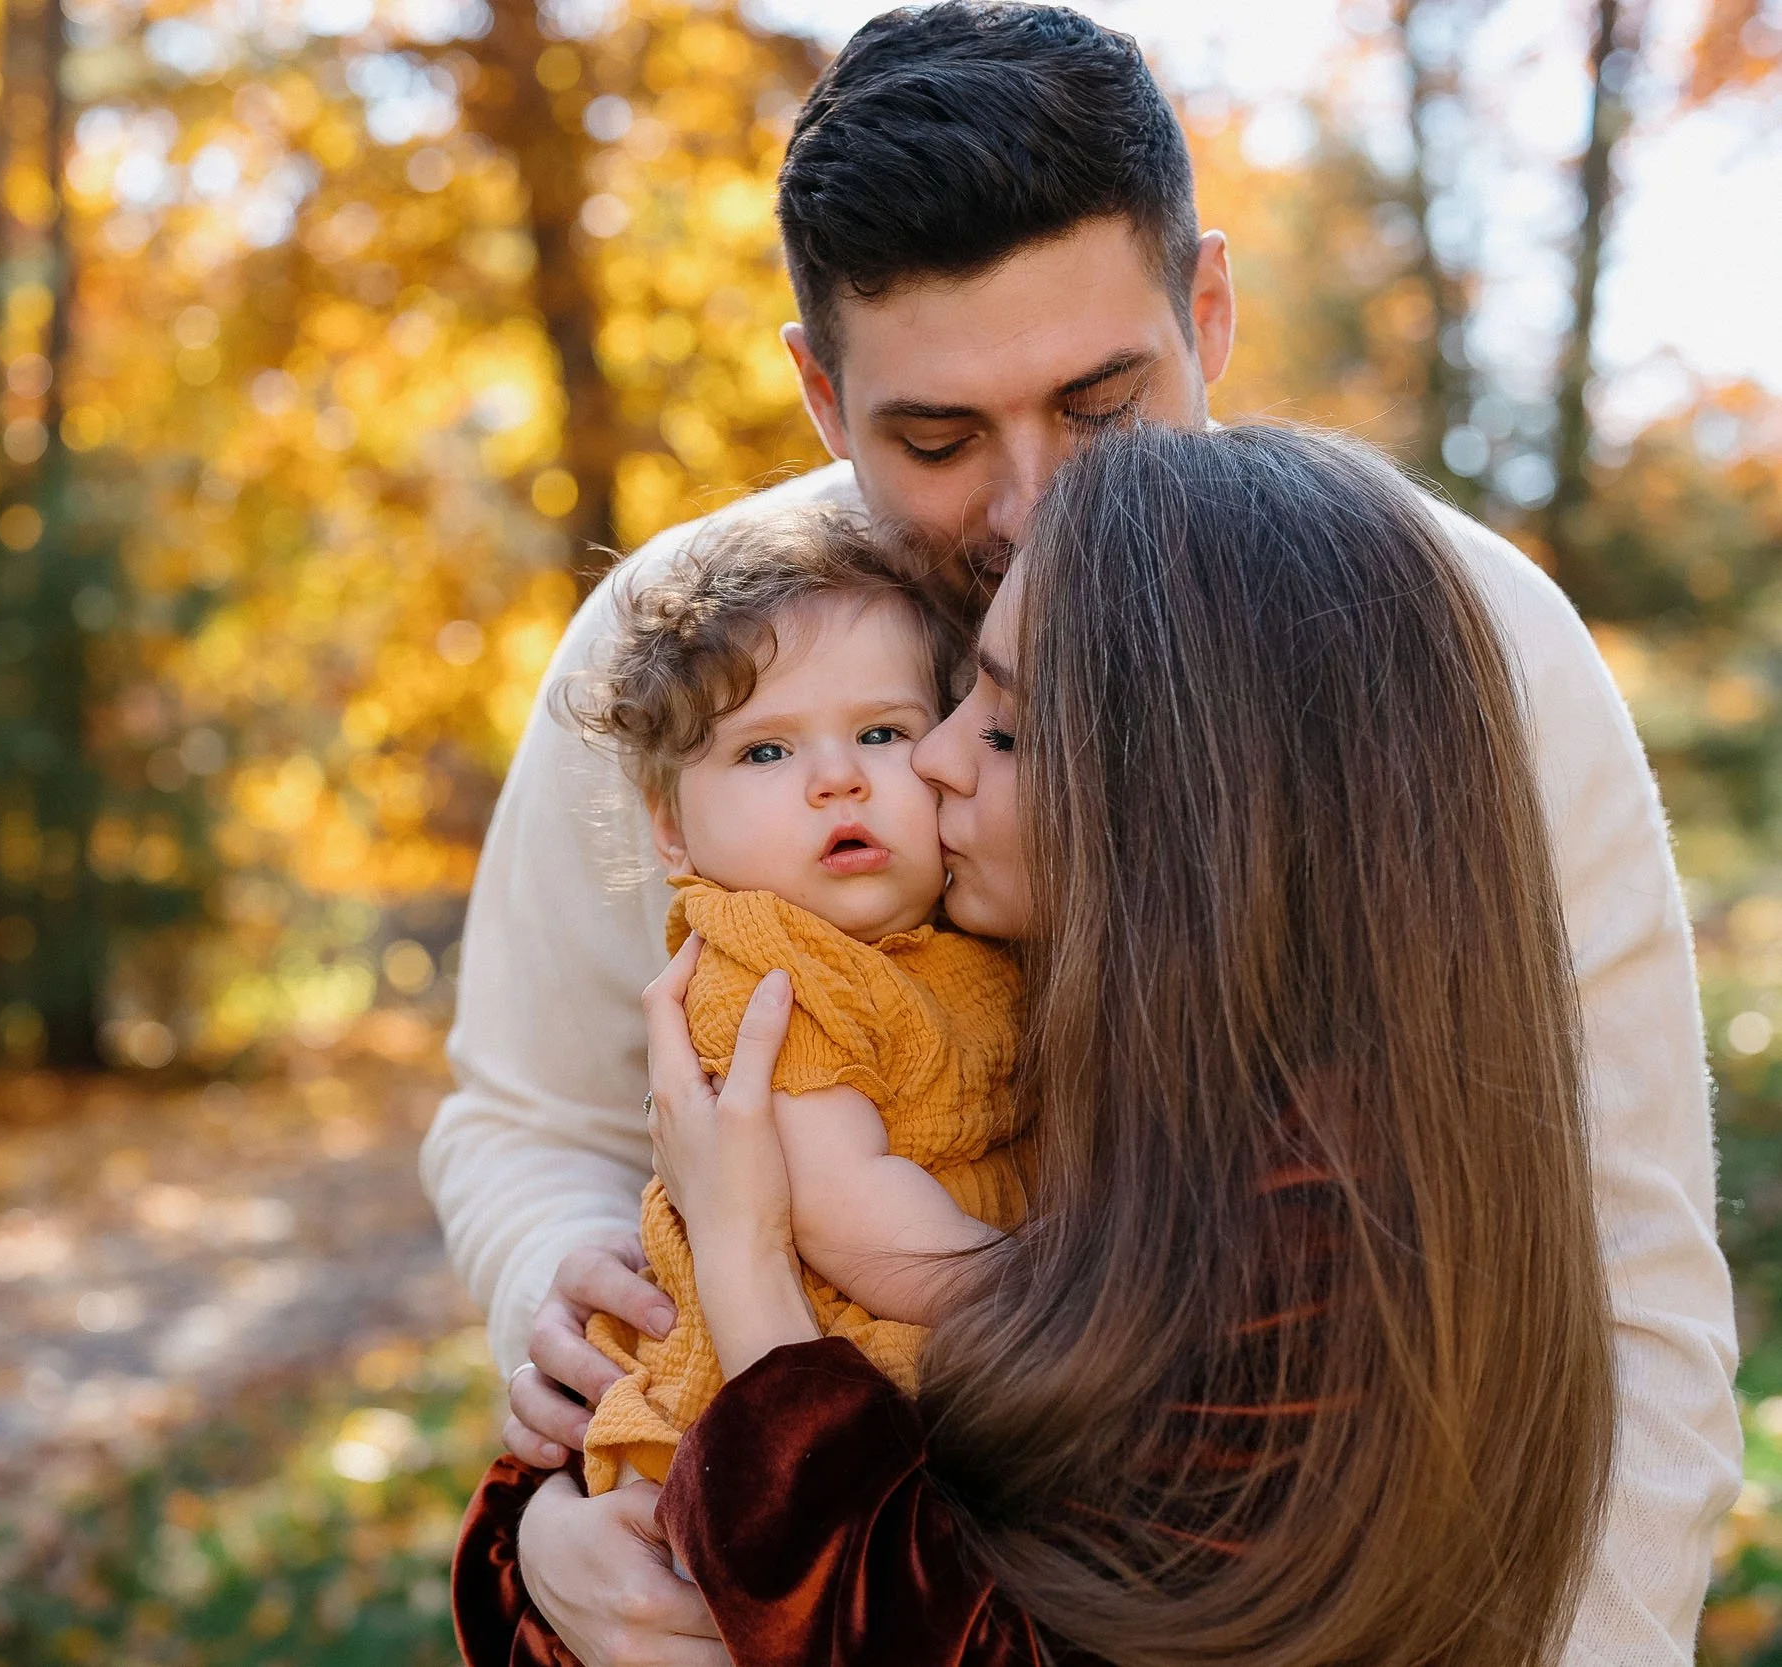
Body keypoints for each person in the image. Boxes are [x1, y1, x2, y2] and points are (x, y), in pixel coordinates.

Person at [418, 6, 1739, 1664]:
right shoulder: (702, 665)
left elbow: (1626, 1280)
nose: (1030, 500)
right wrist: (565, 1440)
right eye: (937, 437)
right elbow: (530, 1113)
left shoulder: (1462, 642)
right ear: (822, 395)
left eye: (1100, 402)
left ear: (1209, 310)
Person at [454, 421, 1619, 1666]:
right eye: (960, 703)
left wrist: (745, 1261)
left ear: (1185, 807)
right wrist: (538, 1539)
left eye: (996, 728)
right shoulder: (892, 984)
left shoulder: (1309, 1217)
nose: (931, 761)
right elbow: (539, 1145)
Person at [546, 502, 1030, 1496]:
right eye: (766, 751)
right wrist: (1059, 1292)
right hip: (783, 1387)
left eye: (882, 731)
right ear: (670, 831)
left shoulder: (959, 943)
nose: (837, 780)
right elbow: (849, 1212)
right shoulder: (764, 968)